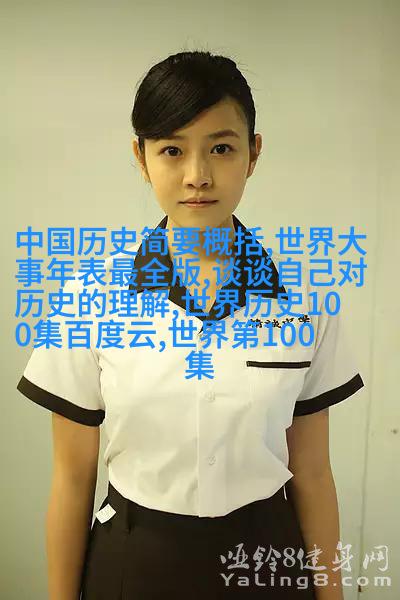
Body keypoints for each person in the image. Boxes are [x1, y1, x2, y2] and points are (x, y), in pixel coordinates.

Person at [17, 50, 365, 600]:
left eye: (221, 148)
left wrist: (332, 593)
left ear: (253, 153)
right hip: (135, 561)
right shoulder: (89, 296)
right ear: (141, 156)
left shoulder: (306, 296)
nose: (197, 176)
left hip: (267, 560)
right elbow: (72, 478)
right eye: (172, 150)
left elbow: (314, 472)